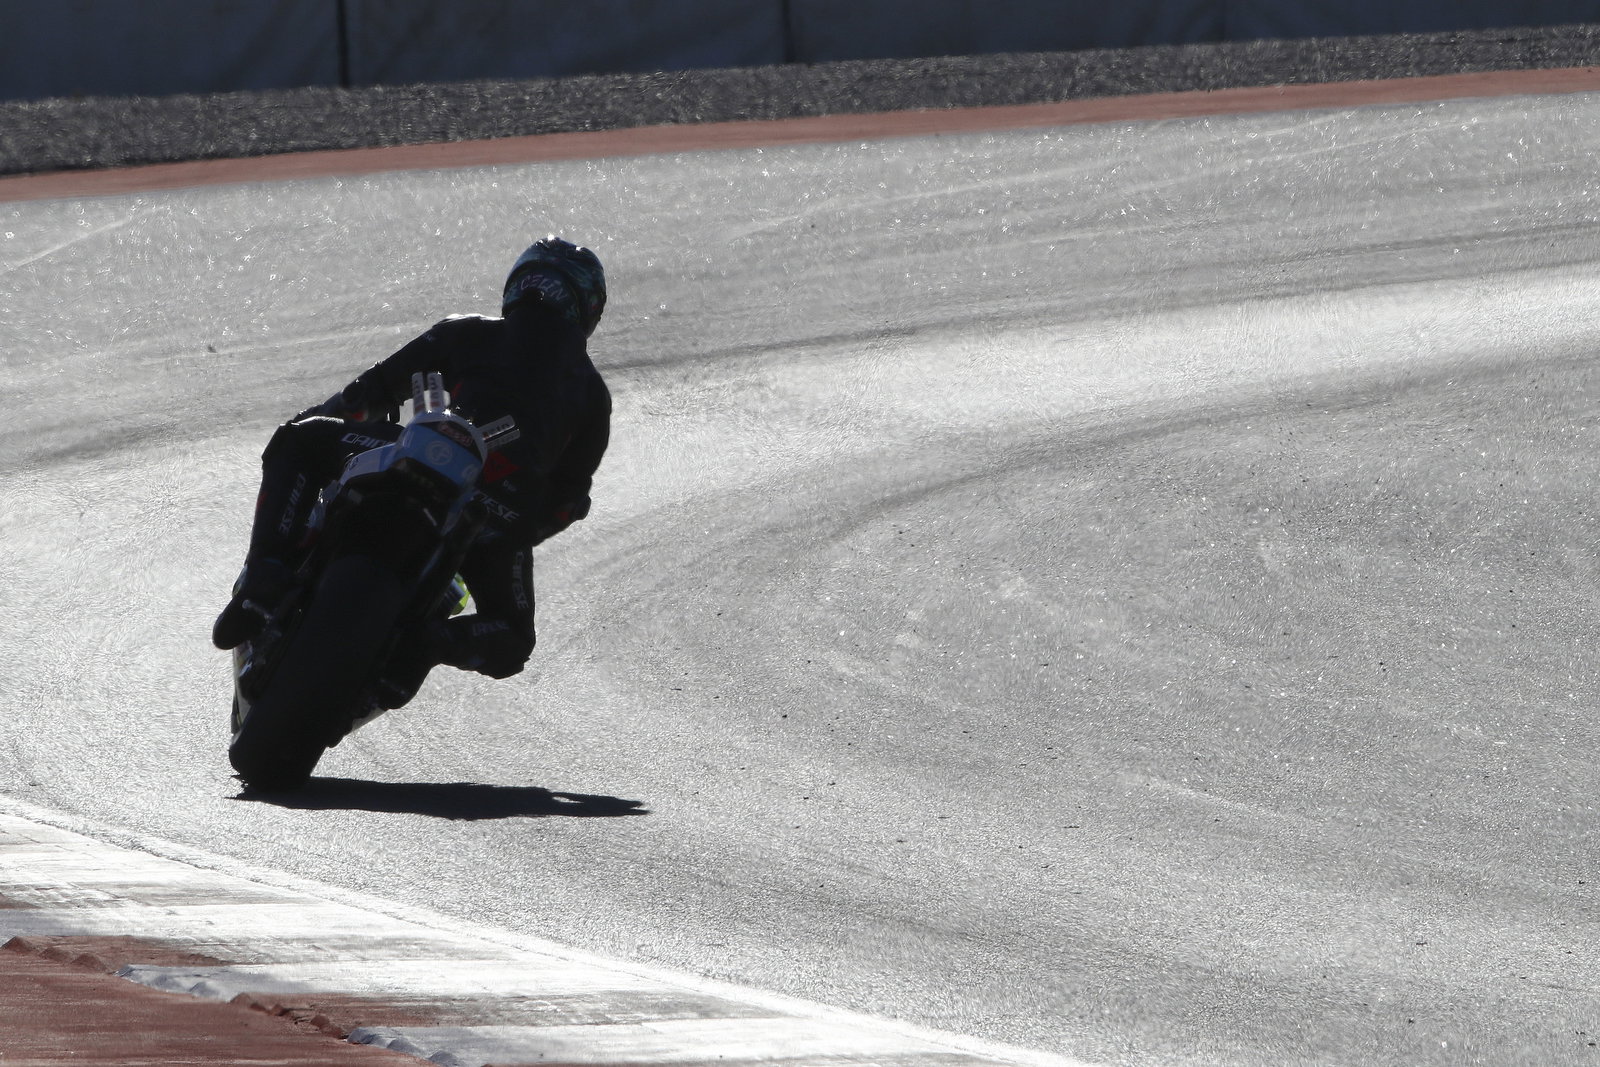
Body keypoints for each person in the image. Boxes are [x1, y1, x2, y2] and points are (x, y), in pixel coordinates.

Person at [212, 236, 611, 699]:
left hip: (420, 457)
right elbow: (568, 501)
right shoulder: (593, 396)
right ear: (587, 310)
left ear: (518, 285)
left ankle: (265, 572)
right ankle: (425, 644)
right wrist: (512, 530)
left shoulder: (468, 331)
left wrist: (317, 420)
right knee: (512, 637)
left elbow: (365, 396)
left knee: (296, 441)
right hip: (494, 516)